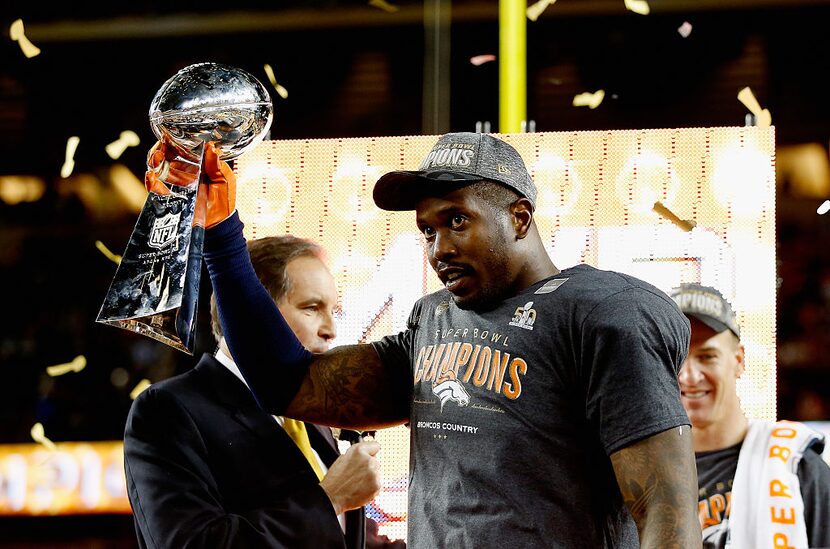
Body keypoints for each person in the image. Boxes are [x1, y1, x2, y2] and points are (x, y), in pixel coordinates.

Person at [199, 132, 701, 547]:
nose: (439, 248)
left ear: (518, 218)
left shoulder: (604, 311)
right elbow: (284, 384)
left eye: (457, 221)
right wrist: (221, 233)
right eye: (427, 230)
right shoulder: (434, 318)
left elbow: (665, 509)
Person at [124, 161, 383, 547]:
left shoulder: (313, 413)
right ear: (248, 309)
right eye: (312, 308)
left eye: (334, 311)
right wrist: (331, 500)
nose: (331, 329)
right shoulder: (168, 410)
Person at [670, 283, 830, 549]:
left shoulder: (795, 463)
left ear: (739, 361)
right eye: (676, 358)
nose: (689, 376)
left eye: (707, 356)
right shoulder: (634, 471)